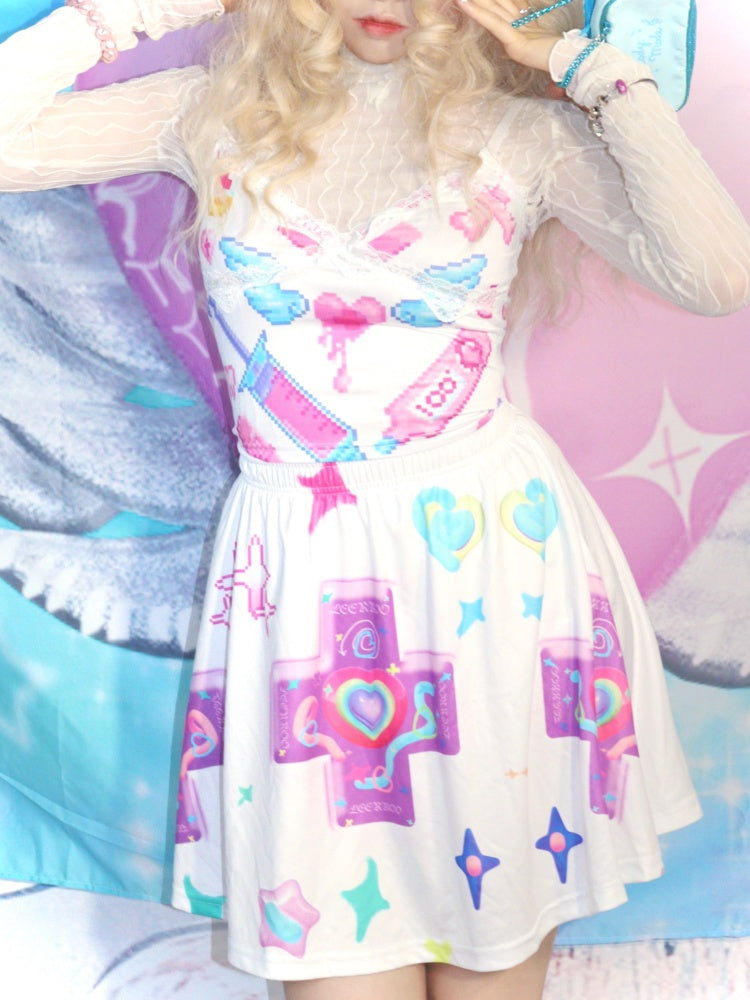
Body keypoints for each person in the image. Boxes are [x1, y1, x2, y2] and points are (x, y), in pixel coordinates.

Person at [1, 1, 749, 997]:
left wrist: (588, 67)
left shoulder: (520, 136)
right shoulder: (206, 113)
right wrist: (145, 13)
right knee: (336, 960)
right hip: (303, 583)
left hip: (493, 573)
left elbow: (716, 274)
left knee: (492, 953)